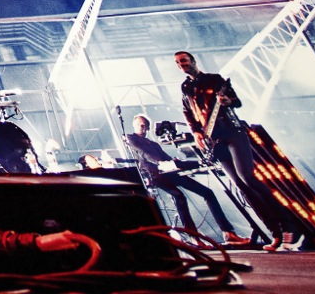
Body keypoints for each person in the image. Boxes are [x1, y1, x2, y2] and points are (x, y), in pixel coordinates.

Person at [174, 51, 301, 251]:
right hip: (214, 140)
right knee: (241, 186)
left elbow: (236, 101)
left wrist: (227, 102)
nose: (181, 65)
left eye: (184, 61)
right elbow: (187, 112)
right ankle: (275, 233)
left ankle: (290, 227)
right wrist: (196, 133)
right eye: (178, 63)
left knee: (248, 178)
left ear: (193, 61)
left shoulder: (214, 80)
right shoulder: (185, 87)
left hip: (232, 132)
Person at [126, 113, 245, 245]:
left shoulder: (154, 144)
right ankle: (193, 236)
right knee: (179, 196)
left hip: (169, 172)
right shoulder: (130, 138)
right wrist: (160, 162)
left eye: (145, 125)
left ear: (148, 128)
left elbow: (165, 157)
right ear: (134, 124)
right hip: (154, 174)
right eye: (139, 125)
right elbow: (143, 153)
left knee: (207, 193)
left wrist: (174, 162)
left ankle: (228, 233)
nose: (142, 127)